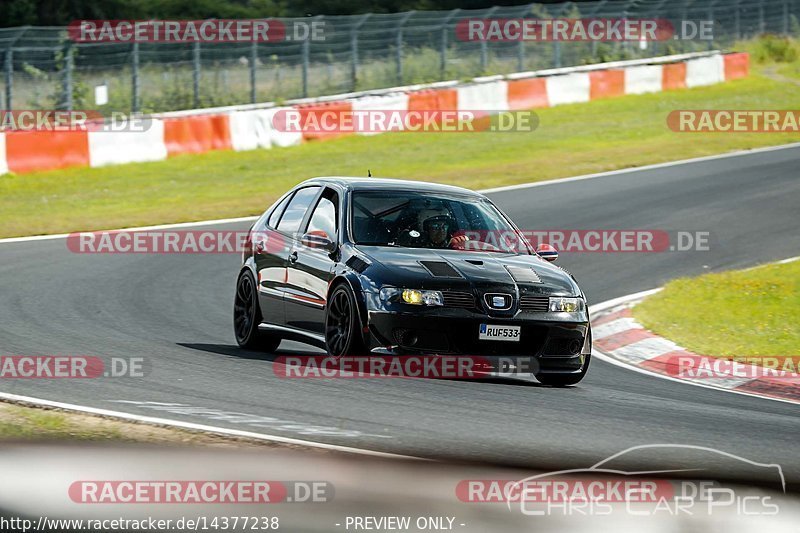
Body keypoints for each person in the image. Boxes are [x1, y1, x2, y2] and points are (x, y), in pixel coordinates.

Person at [396, 208, 469, 248]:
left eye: (444, 226)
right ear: (425, 229)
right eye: (435, 226)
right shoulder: (411, 244)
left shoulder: (457, 243)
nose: (441, 230)